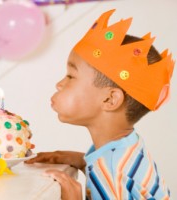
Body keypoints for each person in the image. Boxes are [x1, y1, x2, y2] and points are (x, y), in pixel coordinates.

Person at [25, 9, 174, 200]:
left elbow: (113, 180)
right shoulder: (125, 149)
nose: (59, 84)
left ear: (110, 100)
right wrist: (80, 160)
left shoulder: (111, 172)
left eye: (71, 76)